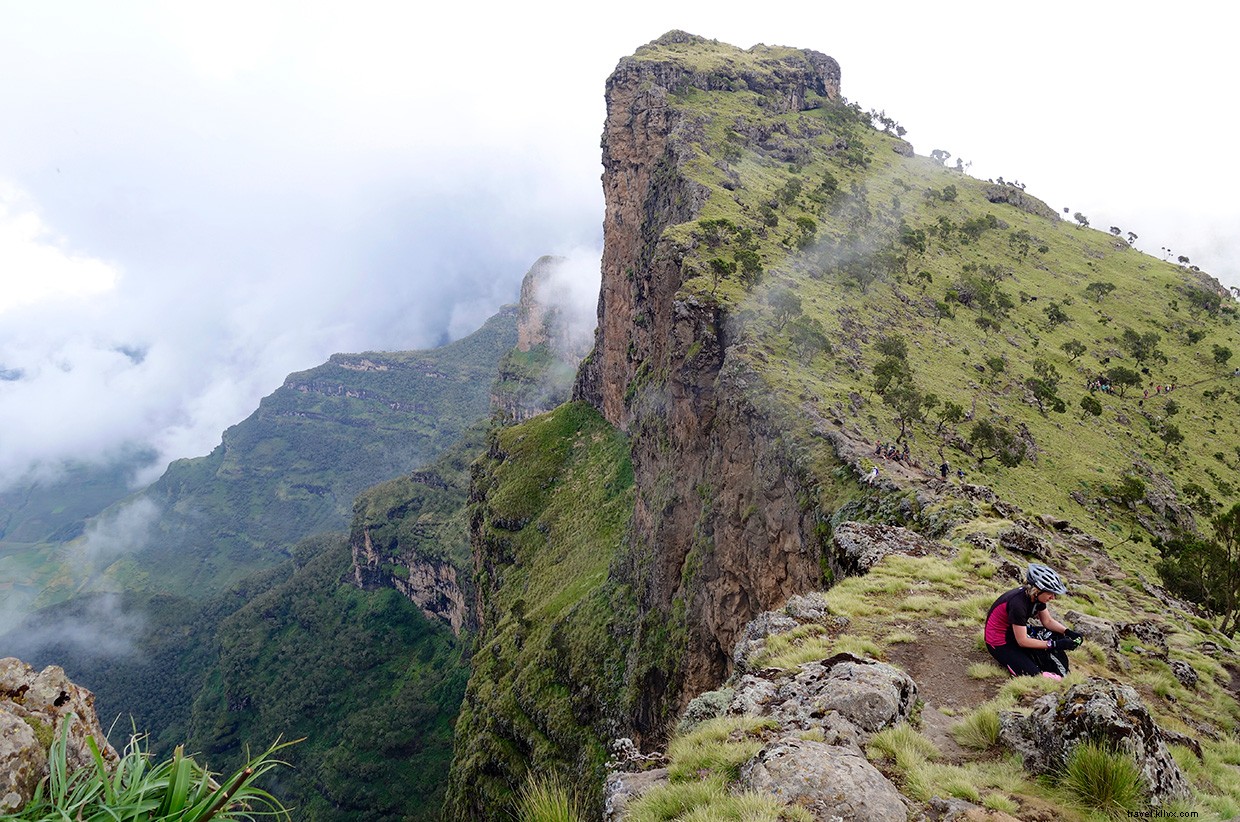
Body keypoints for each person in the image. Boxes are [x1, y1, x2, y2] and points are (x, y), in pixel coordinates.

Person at [983, 563, 1082, 678]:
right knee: (1036, 675)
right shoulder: (1018, 604)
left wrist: (1068, 632)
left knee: (1058, 635)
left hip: (1015, 632)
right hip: (999, 642)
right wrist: (1054, 644)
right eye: (1050, 593)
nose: (1053, 597)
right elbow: (1022, 641)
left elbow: (1048, 621)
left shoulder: (1035, 598)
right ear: (1037, 590)